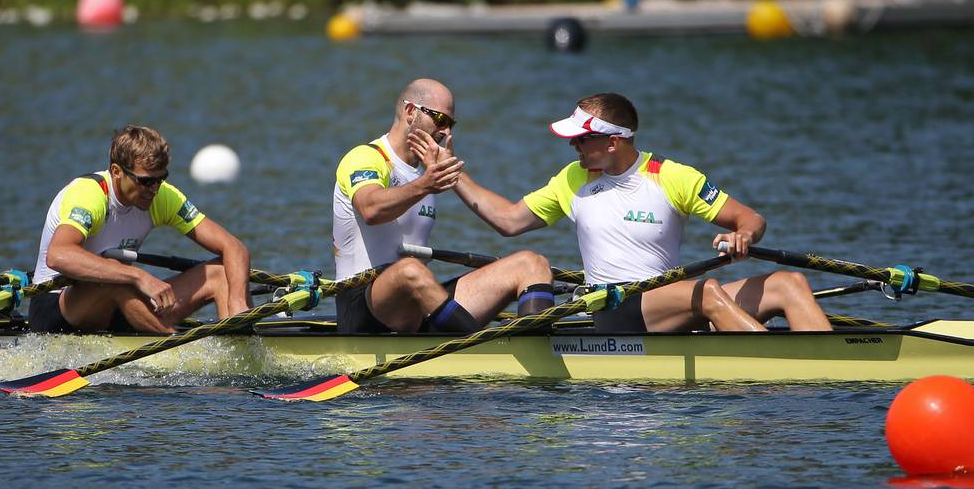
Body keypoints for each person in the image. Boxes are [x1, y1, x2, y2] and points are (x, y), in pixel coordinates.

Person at [439, 92, 832, 332]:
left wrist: (742, 235)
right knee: (707, 292)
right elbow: (508, 220)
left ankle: (835, 365)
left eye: (581, 139)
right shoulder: (572, 179)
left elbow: (751, 219)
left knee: (789, 283)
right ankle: (785, 371)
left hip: (675, 302)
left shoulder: (672, 176)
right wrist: (451, 173)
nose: (573, 147)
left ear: (612, 142)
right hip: (616, 307)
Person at [332, 77, 555, 334]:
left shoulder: (426, 171)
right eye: (440, 120)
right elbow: (370, 209)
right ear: (410, 111)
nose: (447, 132)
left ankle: (536, 347)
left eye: (451, 123)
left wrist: (447, 173)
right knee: (409, 269)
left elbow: (506, 219)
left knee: (531, 263)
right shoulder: (366, 157)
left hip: (418, 304)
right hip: (363, 306)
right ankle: (479, 348)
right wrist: (425, 184)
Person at [29, 124, 250, 334]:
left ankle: (239, 339)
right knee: (115, 274)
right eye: (145, 181)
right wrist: (138, 276)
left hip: (123, 302)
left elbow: (233, 247)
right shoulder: (90, 195)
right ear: (117, 171)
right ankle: (174, 344)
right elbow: (58, 255)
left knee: (220, 273)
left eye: (161, 178)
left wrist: (238, 302)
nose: (154, 189)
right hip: (57, 308)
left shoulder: (162, 196)